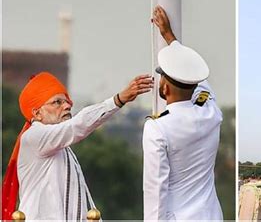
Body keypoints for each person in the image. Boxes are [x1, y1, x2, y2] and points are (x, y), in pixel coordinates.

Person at [2, 72, 153, 220]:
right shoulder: (34, 136)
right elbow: (78, 125)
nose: (67, 106)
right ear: (37, 113)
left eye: (67, 101)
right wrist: (118, 100)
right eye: (57, 102)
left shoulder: (60, 144)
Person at [142, 6, 223, 220]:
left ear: (165, 87)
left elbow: (154, 192)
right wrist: (170, 37)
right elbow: (197, 78)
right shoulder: (211, 113)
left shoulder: (157, 128)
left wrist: (169, 38)